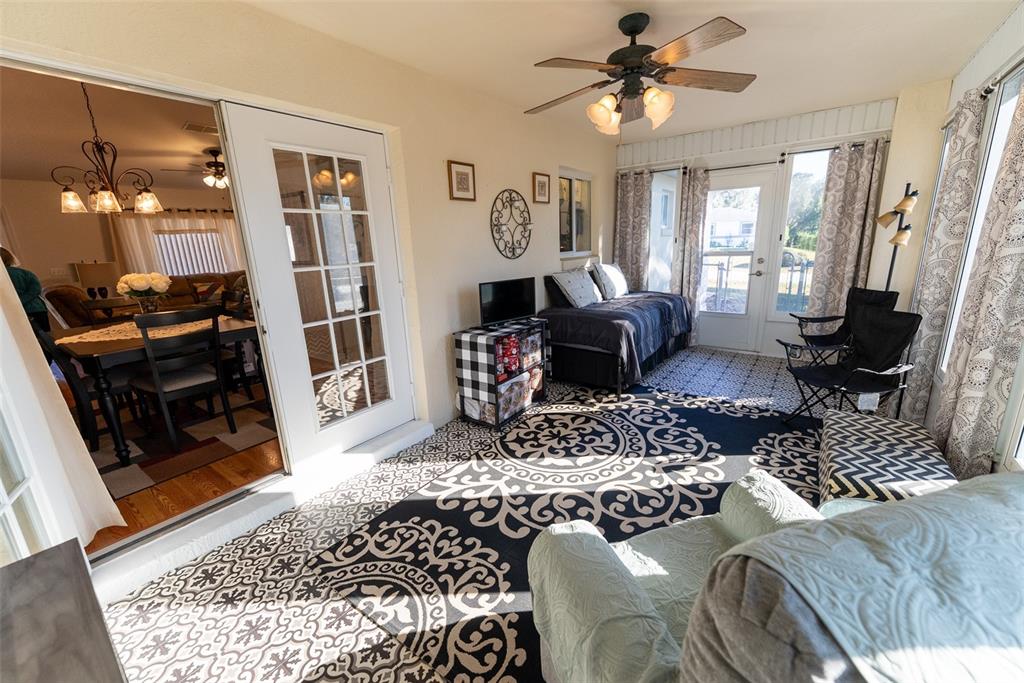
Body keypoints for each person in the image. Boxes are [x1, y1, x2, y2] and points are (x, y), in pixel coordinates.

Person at [1, 246, 50, 332]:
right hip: (37, 309)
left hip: (15, 311)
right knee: (47, 337)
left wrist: (17, 301)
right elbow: (36, 289)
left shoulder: (3, 276)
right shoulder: (25, 273)